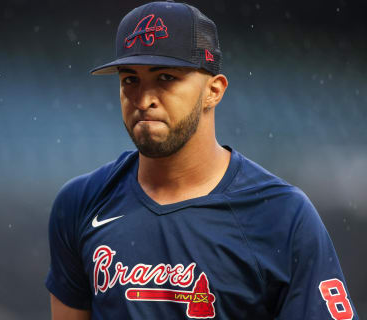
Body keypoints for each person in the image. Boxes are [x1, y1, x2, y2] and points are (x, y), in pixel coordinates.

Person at [45, 1, 358, 319]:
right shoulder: (81, 203)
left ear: (214, 90)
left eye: (166, 77)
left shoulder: (281, 214)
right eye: (130, 80)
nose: (143, 98)